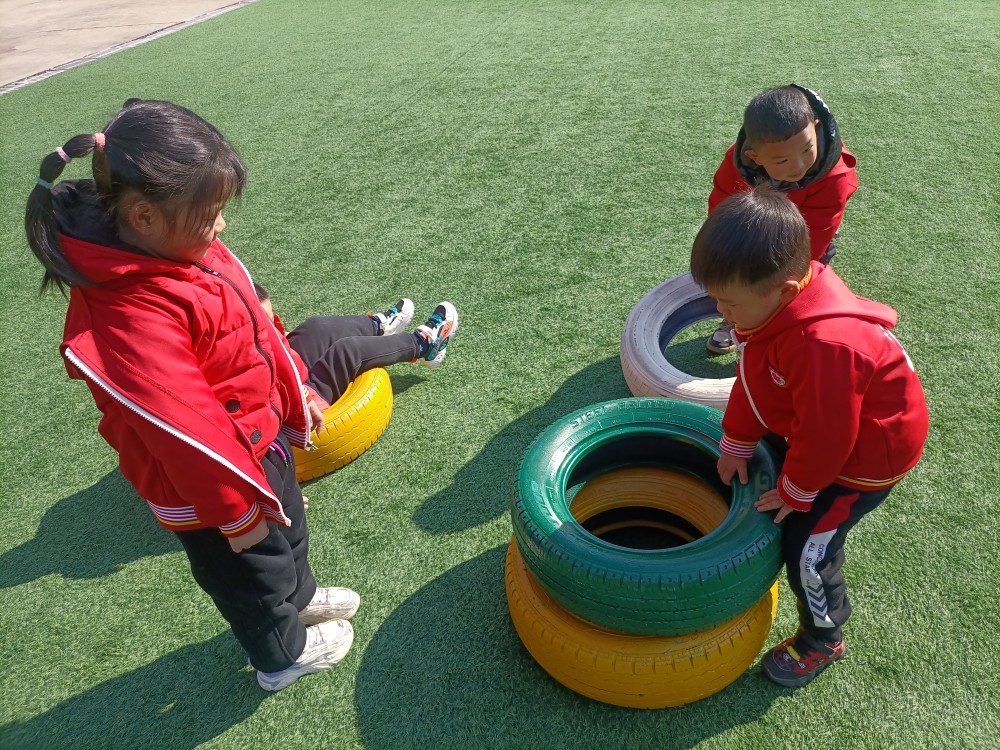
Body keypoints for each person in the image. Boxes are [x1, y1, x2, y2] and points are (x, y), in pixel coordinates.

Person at [24, 98, 458, 692]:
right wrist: (235, 515)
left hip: (257, 439)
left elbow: (255, 325)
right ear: (144, 216)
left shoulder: (183, 248)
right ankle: (281, 656)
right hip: (209, 489)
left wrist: (295, 386)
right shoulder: (128, 312)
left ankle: (299, 597)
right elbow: (186, 432)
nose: (221, 227)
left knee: (290, 533)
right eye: (211, 215)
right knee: (250, 576)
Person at [689, 188, 928, 688]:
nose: (721, 312)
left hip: (862, 459)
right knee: (767, 464)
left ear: (784, 291)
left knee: (808, 547)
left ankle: (823, 637)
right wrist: (737, 439)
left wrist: (798, 489)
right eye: (716, 298)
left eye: (729, 303)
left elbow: (827, 436)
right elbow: (755, 375)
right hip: (822, 424)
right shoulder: (774, 311)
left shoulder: (824, 346)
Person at [705, 84, 858, 354]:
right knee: (740, 280)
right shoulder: (739, 163)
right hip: (757, 224)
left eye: (806, 150)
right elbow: (722, 205)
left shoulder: (834, 175)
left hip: (805, 230)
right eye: (782, 161)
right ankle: (735, 322)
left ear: (815, 127)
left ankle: (791, 333)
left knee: (797, 288)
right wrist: (724, 249)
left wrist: (783, 275)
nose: (798, 166)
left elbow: (817, 233)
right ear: (755, 157)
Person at [252, 284, 457, 427]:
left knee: (315, 328)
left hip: (283, 374)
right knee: (346, 351)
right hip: (289, 405)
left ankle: (378, 328)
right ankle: (423, 346)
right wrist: (303, 397)